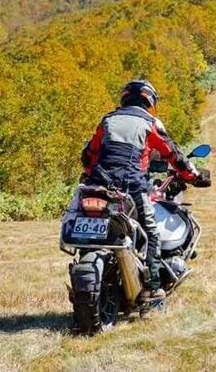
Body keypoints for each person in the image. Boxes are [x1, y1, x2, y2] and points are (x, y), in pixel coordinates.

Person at [81, 79, 200, 301]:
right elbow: (173, 154)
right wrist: (193, 176)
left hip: (98, 184)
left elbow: (88, 154)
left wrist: (92, 175)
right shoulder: (150, 122)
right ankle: (153, 287)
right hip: (130, 184)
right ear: (149, 99)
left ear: (125, 97)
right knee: (152, 231)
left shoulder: (107, 119)